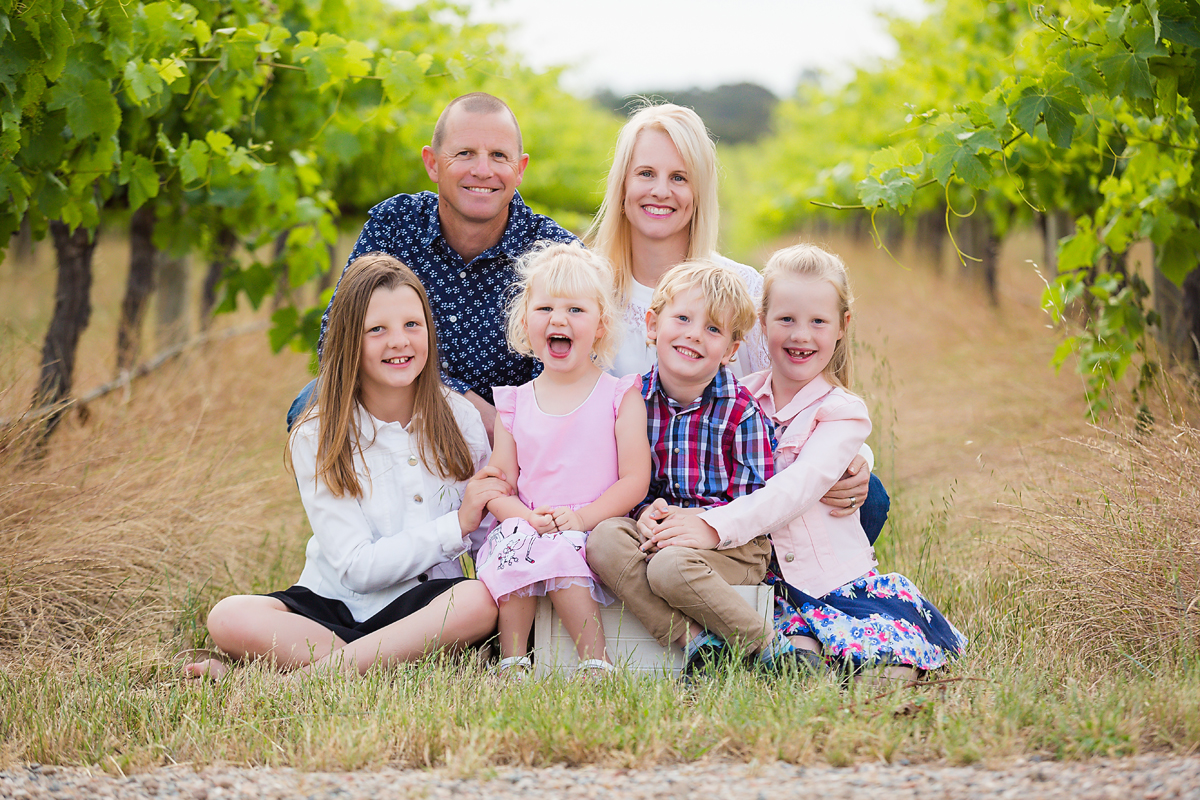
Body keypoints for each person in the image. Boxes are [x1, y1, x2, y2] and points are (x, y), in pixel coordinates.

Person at [184, 254, 506, 680]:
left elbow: (490, 537)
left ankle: (294, 680)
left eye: (413, 325)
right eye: (377, 330)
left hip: (425, 606)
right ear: (349, 340)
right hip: (335, 603)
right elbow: (356, 567)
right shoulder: (319, 433)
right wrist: (455, 525)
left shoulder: (460, 419)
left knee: (477, 602)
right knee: (229, 616)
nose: (400, 342)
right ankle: (383, 666)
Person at [657, 244, 967, 681]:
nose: (801, 335)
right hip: (767, 586)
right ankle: (810, 670)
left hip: (832, 583)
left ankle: (876, 682)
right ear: (762, 323)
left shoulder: (843, 411)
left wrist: (711, 526)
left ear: (842, 327)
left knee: (881, 670)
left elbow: (797, 487)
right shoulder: (734, 396)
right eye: (786, 320)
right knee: (797, 662)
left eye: (818, 322)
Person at [585, 103, 889, 542]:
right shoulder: (590, 292)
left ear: (699, 190)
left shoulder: (742, 288)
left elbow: (799, 391)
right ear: (623, 184)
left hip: (726, 487)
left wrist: (857, 457)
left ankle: (790, 599)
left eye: (679, 178)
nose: (660, 191)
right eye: (646, 174)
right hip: (618, 486)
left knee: (868, 495)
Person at [287, 92, 577, 439]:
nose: (482, 170)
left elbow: (573, 371)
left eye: (499, 156)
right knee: (314, 401)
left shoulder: (555, 252)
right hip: (401, 412)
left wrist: (507, 426)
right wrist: (460, 402)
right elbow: (337, 340)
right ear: (432, 163)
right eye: (465, 153)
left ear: (520, 169)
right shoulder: (394, 226)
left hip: (510, 435)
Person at [586, 260, 810, 676]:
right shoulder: (629, 400)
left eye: (712, 329)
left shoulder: (741, 412)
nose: (693, 334)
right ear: (652, 325)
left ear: (730, 350)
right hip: (659, 532)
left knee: (670, 566)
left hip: (733, 543)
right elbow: (621, 480)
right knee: (603, 540)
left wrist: (702, 521)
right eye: (683, 318)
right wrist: (644, 512)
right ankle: (698, 645)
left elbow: (757, 504)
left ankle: (769, 649)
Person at [474, 243, 650, 675]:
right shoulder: (515, 404)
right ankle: (513, 659)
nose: (558, 319)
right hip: (535, 521)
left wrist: (582, 518)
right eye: (545, 308)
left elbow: (634, 480)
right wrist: (523, 516)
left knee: (557, 549)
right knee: (517, 542)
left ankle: (595, 660)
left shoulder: (618, 396)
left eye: (575, 310)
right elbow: (498, 485)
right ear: (524, 321)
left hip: (593, 524)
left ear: (601, 325)